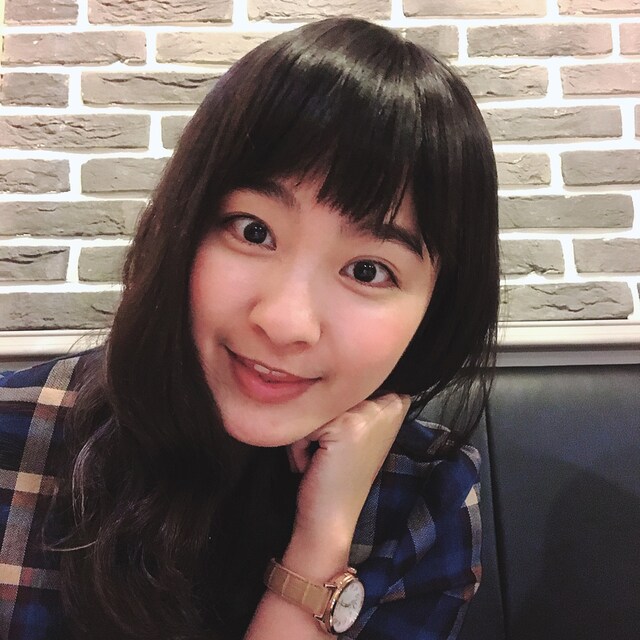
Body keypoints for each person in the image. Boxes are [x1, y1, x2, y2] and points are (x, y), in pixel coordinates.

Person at [0, 16, 498, 640]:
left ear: (435, 308)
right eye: (253, 231)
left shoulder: (424, 496)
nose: (285, 322)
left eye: (367, 270)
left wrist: (322, 541)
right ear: (184, 224)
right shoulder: (16, 431)